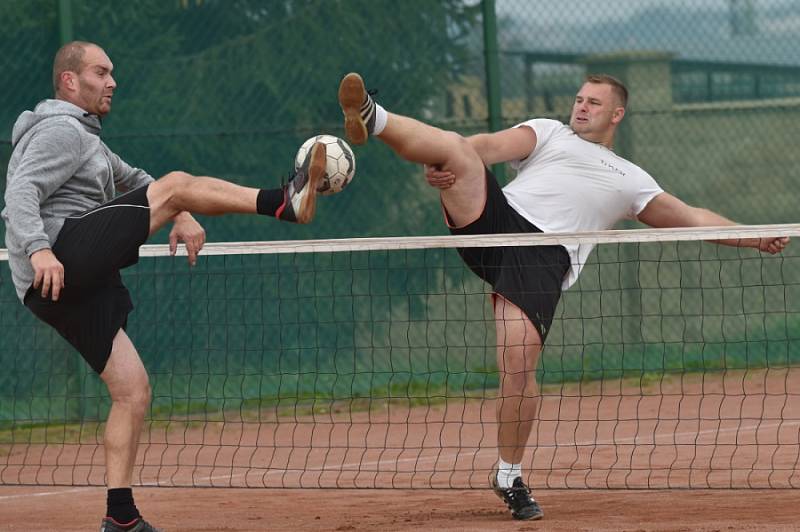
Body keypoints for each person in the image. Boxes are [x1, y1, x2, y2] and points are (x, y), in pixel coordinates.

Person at [337, 71, 789, 521]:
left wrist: (753, 237)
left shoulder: (631, 179)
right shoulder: (549, 132)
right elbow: (486, 147)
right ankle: (371, 116)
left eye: (593, 102)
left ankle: (509, 475)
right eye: (578, 98)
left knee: (518, 363)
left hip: (543, 260)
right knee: (458, 147)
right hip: (498, 222)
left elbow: (690, 218)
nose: (581, 106)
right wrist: (442, 165)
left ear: (617, 113)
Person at [2, 41, 328, 532]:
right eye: (100, 72)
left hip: (57, 285)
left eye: (113, 72)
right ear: (70, 81)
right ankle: (281, 201)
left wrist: (184, 211)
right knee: (175, 184)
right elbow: (20, 191)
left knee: (132, 391)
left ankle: (121, 518)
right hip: (56, 256)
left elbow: (136, 179)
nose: (112, 81)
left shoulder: (88, 140)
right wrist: (39, 248)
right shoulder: (59, 131)